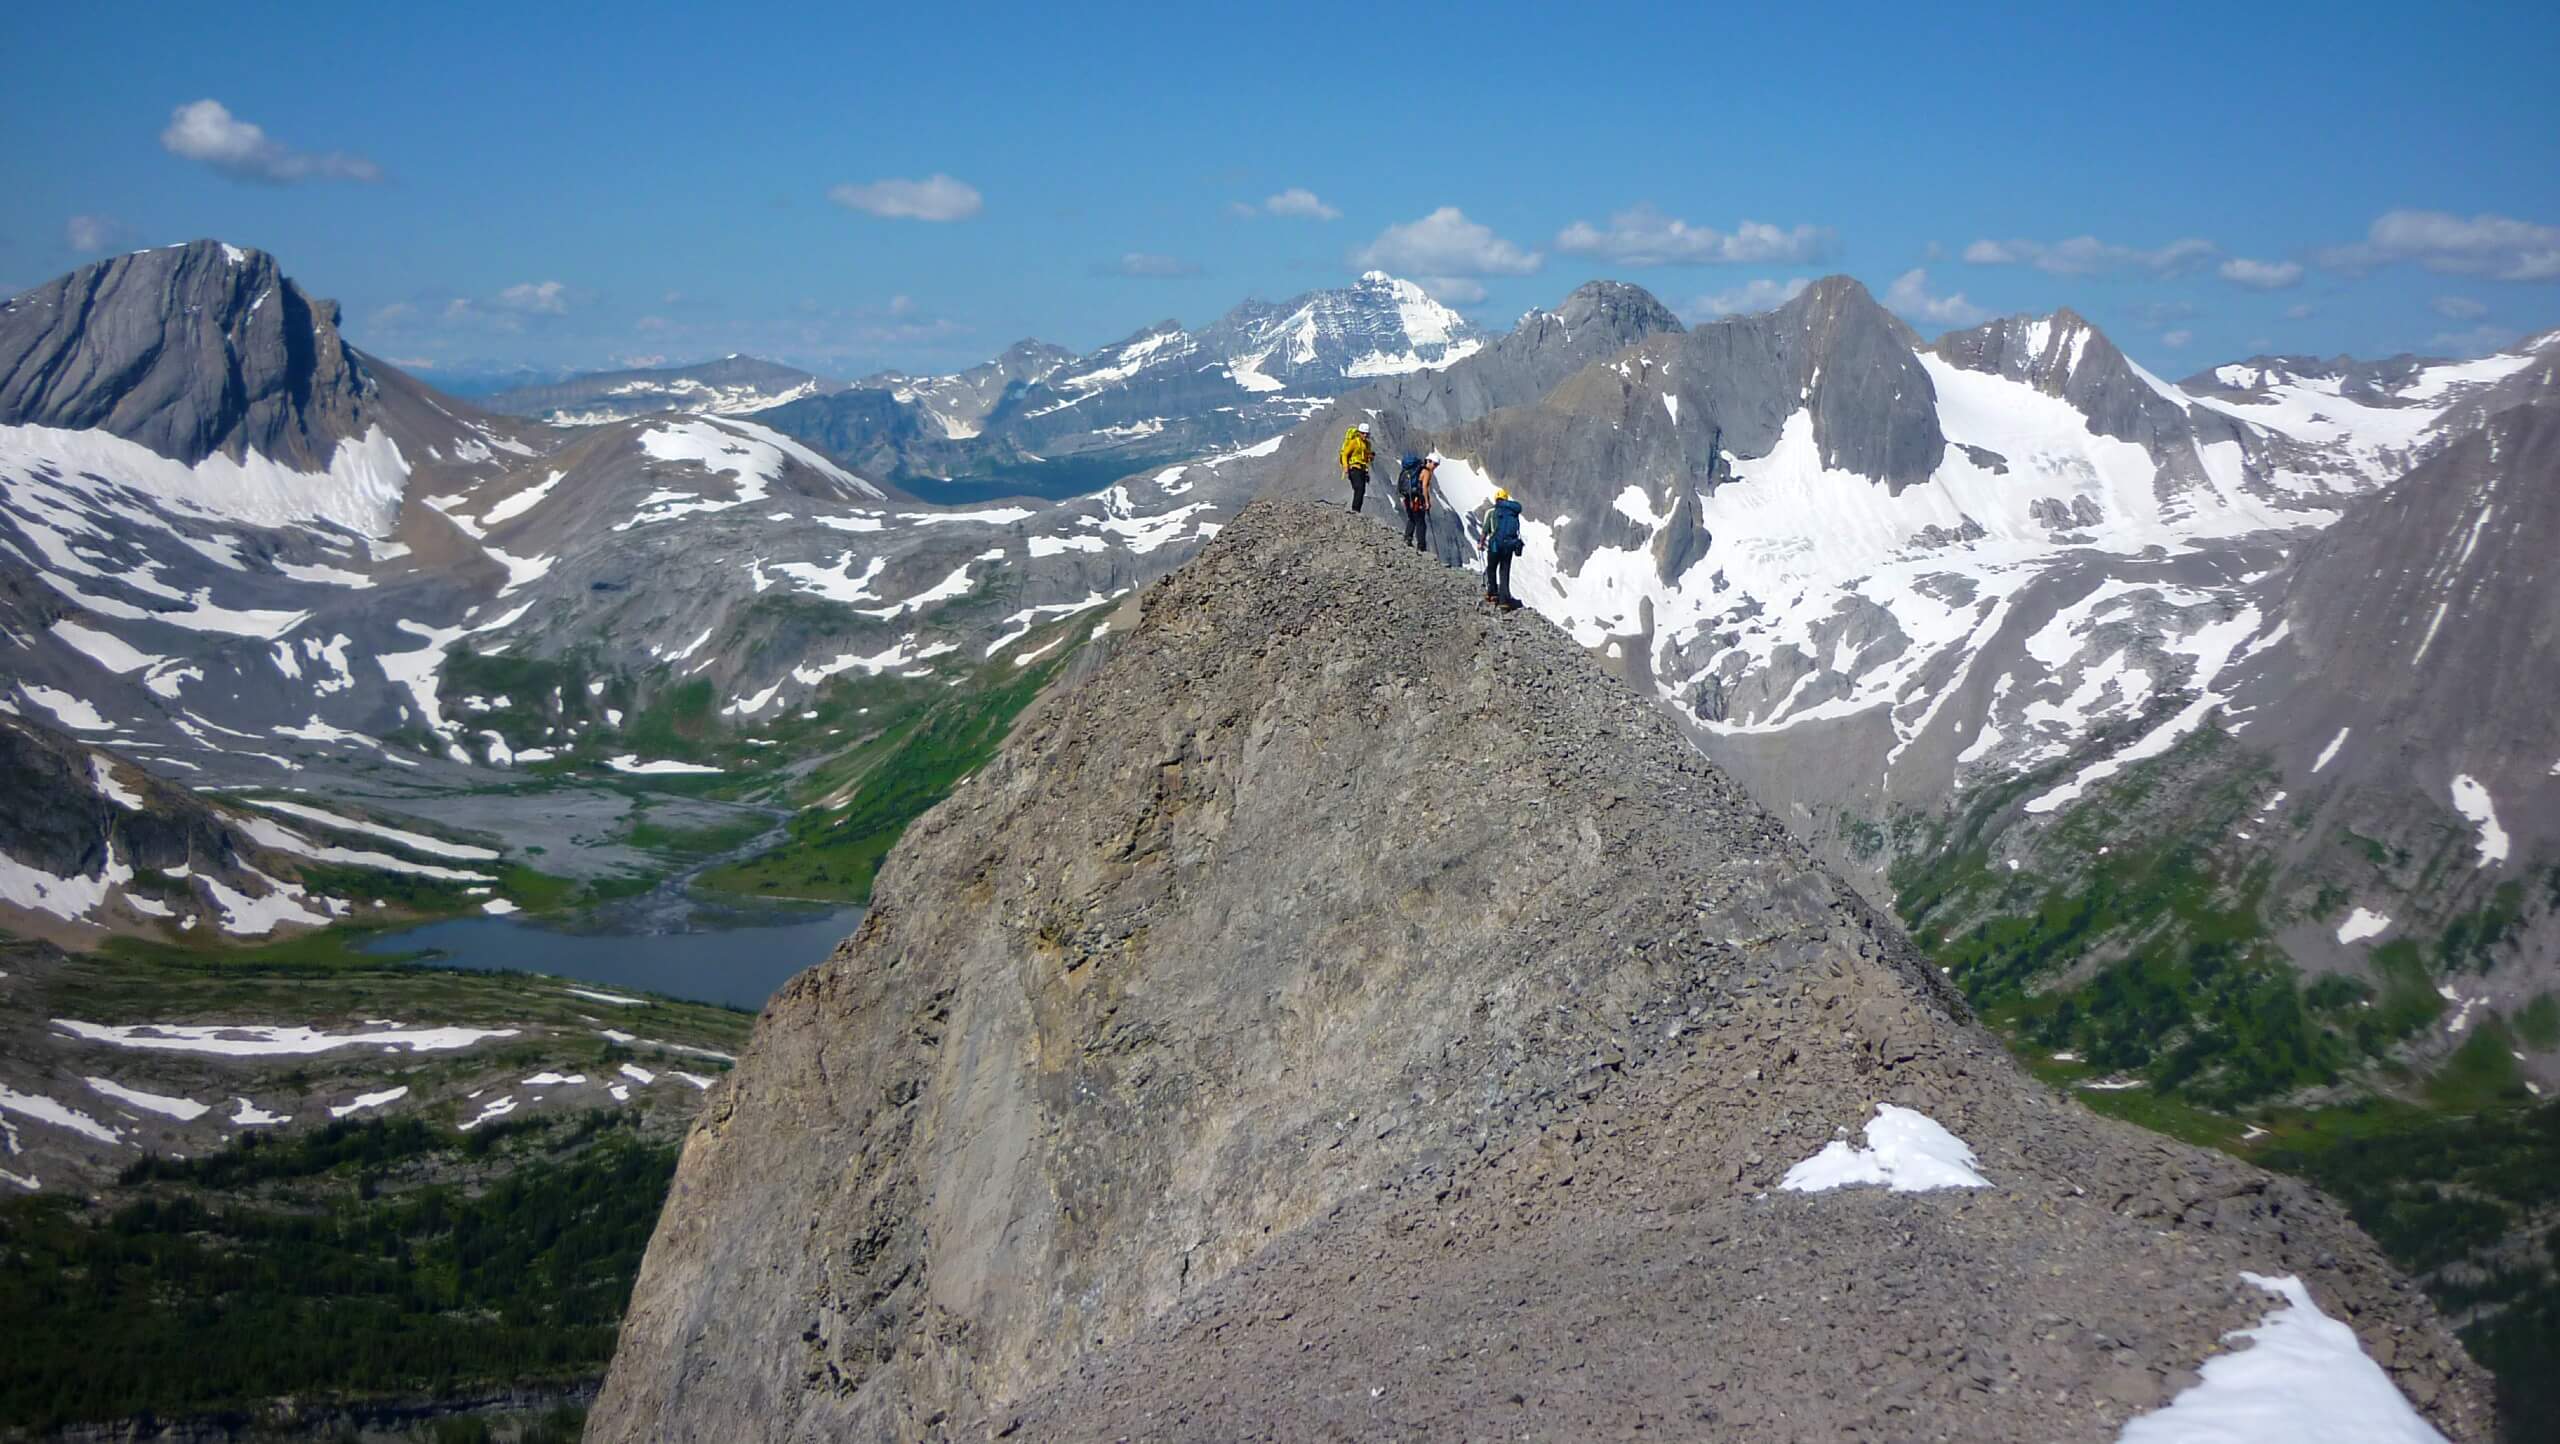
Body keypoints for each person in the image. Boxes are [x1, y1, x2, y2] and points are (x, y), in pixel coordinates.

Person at [1481, 487, 1523, 609]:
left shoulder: (1491, 512)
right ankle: (1504, 601)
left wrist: (1481, 542)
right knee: (1504, 572)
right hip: (1509, 545)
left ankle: (1493, 594)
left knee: (1492, 568)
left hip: (1495, 545)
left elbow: (1485, 530)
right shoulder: (1512, 513)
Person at [1398, 451, 1437, 552]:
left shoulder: (1416, 469)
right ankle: (1421, 546)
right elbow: (1424, 487)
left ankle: (1408, 538)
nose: (1435, 467)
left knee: (1412, 518)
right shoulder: (1426, 472)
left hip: (1408, 497)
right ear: (1429, 461)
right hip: (1417, 499)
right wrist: (1427, 502)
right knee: (1421, 522)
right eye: (1435, 464)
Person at [1339, 422, 1374, 512]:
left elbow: (1366, 458)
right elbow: (1345, 454)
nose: (1365, 435)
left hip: (1362, 469)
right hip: (1354, 468)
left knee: (1361, 490)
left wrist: (1370, 457)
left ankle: (1357, 510)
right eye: (1363, 433)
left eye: (1366, 433)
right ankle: (1355, 510)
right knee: (1359, 488)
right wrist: (1346, 467)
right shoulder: (1354, 442)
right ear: (1359, 433)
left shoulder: (1367, 445)